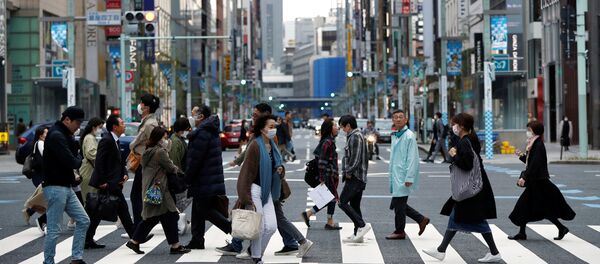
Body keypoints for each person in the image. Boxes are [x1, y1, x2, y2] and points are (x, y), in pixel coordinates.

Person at [423, 113, 502, 263]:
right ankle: (442, 249)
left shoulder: (465, 142)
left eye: (455, 124)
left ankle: (442, 250)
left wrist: (453, 155)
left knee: (470, 218)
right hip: (476, 185)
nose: (453, 126)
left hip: (471, 188)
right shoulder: (471, 139)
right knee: (459, 216)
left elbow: (466, 164)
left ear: (462, 126)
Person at [86, 116, 152, 249]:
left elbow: (118, 162)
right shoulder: (107, 140)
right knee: (122, 210)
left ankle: (88, 239)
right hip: (108, 183)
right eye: (122, 123)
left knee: (99, 212)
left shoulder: (114, 140)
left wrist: (125, 174)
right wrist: (102, 181)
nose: (124, 125)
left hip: (113, 182)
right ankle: (136, 237)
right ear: (115, 127)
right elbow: (100, 161)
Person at [126, 126, 190, 255]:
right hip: (160, 189)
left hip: (152, 187)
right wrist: (182, 172)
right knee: (170, 215)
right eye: (164, 137)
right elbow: (171, 167)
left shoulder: (148, 150)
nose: (165, 139)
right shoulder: (160, 152)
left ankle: (135, 242)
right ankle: (174, 246)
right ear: (158, 138)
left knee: (158, 217)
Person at [508, 120, 575, 241]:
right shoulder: (534, 143)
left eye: (529, 130)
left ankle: (523, 233)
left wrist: (524, 177)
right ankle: (560, 228)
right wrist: (521, 156)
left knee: (524, 206)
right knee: (540, 208)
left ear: (535, 131)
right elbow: (531, 162)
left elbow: (535, 165)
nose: (528, 132)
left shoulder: (538, 144)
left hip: (539, 182)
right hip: (537, 182)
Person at [42, 106, 90, 264]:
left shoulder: (63, 134)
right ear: (67, 119)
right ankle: (48, 262)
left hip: (65, 186)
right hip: (56, 187)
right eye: (77, 122)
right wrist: (78, 159)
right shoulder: (56, 135)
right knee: (54, 229)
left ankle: (76, 258)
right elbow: (71, 160)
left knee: (83, 220)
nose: (78, 126)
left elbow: (71, 159)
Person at [236, 115, 284, 264]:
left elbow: (276, 164)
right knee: (260, 227)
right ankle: (257, 257)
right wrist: (247, 198)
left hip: (267, 190)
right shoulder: (255, 145)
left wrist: (281, 169)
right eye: (270, 127)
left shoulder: (272, 144)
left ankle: (254, 252)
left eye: (274, 126)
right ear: (262, 129)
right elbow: (246, 172)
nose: (273, 129)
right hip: (254, 189)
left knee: (271, 227)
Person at [184, 106, 232, 249]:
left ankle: (232, 229)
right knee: (198, 209)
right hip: (208, 178)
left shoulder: (202, 133)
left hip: (204, 178)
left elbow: (195, 160)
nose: (191, 117)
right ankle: (197, 239)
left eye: (193, 114)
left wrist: (187, 178)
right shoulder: (209, 131)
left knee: (205, 209)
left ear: (201, 117)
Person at [387, 110, 430, 240]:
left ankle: (400, 231)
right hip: (397, 175)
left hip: (403, 175)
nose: (398, 119)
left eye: (401, 117)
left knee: (398, 205)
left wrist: (409, 177)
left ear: (406, 120)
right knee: (397, 203)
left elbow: (413, 159)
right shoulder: (396, 135)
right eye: (395, 117)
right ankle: (421, 219)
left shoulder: (409, 136)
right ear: (393, 120)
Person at [302, 118, 341, 230]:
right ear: (329, 128)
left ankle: (326, 220)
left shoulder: (329, 141)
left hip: (329, 175)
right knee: (330, 198)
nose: (337, 127)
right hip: (327, 175)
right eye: (335, 125)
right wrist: (322, 178)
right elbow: (322, 161)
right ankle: (327, 221)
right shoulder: (327, 142)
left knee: (328, 198)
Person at [129, 93, 160, 229]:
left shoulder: (150, 124)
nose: (139, 106)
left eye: (141, 103)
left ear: (146, 107)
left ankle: (139, 227)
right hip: (143, 163)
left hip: (146, 164)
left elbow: (160, 143)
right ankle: (139, 226)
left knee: (137, 196)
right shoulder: (147, 122)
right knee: (139, 195)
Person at [338, 115, 371, 243]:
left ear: (348, 125)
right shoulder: (354, 136)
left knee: (342, 202)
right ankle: (358, 234)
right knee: (355, 205)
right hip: (358, 177)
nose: (342, 130)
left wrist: (348, 172)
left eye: (342, 127)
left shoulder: (355, 136)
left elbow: (355, 158)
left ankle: (362, 225)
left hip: (355, 177)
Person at [168, 117, 193, 235]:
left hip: (181, 175)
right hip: (178, 177)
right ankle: (175, 218)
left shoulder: (178, 139)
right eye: (188, 128)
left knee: (179, 200)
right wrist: (182, 175)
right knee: (183, 198)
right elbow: (175, 162)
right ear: (183, 129)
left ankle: (175, 218)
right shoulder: (176, 142)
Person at [22, 126, 48, 233]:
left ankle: (29, 211)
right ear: (40, 135)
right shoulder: (41, 143)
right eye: (46, 133)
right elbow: (46, 157)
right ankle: (40, 218)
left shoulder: (38, 143)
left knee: (44, 197)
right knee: (47, 198)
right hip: (40, 175)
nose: (48, 134)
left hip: (39, 175)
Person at [78, 117, 105, 205]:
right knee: (89, 200)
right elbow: (91, 153)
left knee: (87, 199)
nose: (101, 130)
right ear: (94, 127)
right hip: (88, 172)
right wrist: (103, 154)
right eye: (100, 127)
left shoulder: (90, 137)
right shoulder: (89, 138)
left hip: (88, 170)